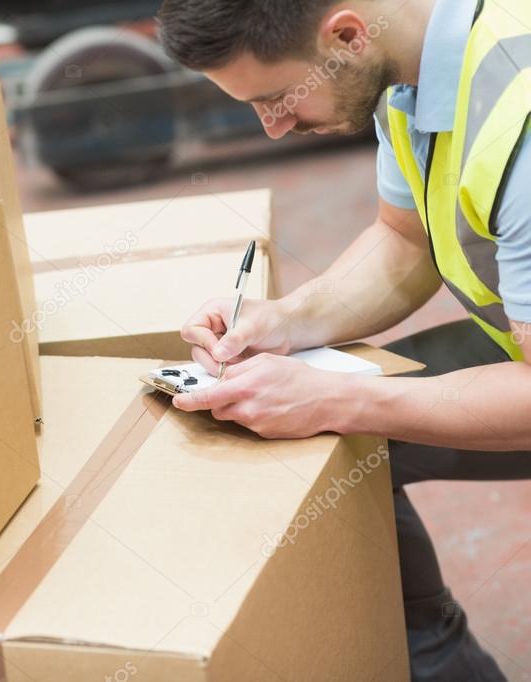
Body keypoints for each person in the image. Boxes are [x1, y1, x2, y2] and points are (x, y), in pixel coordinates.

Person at [157, 0, 531, 678]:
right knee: (336, 442)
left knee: (344, 418)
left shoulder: (518, 106)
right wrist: (286, 322)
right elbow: (403, 239)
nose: (270, 128)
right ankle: (435, 660)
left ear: (347, 35)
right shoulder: (408, 67)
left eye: (274, 97)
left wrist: (338, 400)